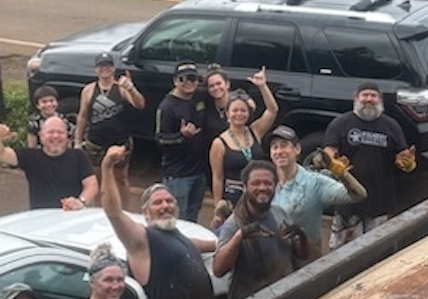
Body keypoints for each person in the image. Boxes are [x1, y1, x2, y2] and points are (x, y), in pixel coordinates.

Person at [100, 144, 217, 299]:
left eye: (169, 201)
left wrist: (219, 243)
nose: (165, 206)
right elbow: (114, 213)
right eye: (158, 203)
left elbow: (192, 245)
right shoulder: (142, 240)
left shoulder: (176, 236)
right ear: (145, 213)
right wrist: (107, 167)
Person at [323, 81, 417, 251]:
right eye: (365, 95)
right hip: (348, 203)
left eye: (373, 96)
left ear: (379, 99)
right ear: (356, 98)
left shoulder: (391, 126)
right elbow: (329, 151)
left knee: (378, 252)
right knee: (342, 254)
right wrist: (331, 163)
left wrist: (406, 162)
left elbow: (402, 156)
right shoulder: (340, 124)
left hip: (380, 202)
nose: (369, 99)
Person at [212, 160, 308, 299]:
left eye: (267, 183)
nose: (262, 187)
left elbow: (302, 255)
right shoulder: (234, 224)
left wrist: (302, 236)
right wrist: (239, 237)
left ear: (275, 186)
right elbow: (218, 270)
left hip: (284, 297)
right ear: (244, 187)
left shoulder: (280, 213)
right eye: (255, 183)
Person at [267, 125, 367, 263]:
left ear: (297, 149)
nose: (279, 151)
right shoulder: (265, 183)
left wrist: (342, 174)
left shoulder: (314, 182)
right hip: (273, 258)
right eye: (275, 147)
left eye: (284, 146)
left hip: (305, 260)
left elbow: (359, 195)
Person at [209, 67, 279, 218]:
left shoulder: (255, 131)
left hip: (258, 195)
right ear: (227, 114)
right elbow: (217, 177)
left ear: (248, 113)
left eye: (243, 111)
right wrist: (218, 207)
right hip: (233, 198)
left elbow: (272, 110)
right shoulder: (219, 143)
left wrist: (262, 86)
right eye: (235, 111)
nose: (239, 114)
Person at [0, 115, 99, 211]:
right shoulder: (29, 156)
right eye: (51, 132)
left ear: (66, 136)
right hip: (40, 218)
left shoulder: (79, 156)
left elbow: (92, 185)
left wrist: (80, 201)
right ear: (41, 136)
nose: (56, 136)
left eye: (60, 132)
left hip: (72, 215)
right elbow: (0, 154)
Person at [155, 61, 211, 222]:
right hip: (178, 175)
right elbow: (160, 139)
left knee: (193, 216)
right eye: (183, 79)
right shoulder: (166, 107)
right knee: (176, 217)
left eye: (193, 79)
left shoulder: (200, 97)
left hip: (199, 172)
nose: (189, 82)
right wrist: (181, 135)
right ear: (175, 81)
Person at [74, 52, 145, 174]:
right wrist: (77, 142)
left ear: (113, 68)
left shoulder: (121, 88)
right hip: (95, 142)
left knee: (120, 177)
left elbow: (140, 104)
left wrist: (131, 88)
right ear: (96, 69)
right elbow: (83, 116)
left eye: (108, 66)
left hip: (119, 142)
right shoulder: (88, 90)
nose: (105, 69)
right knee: (97, 177)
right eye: (101, 66)